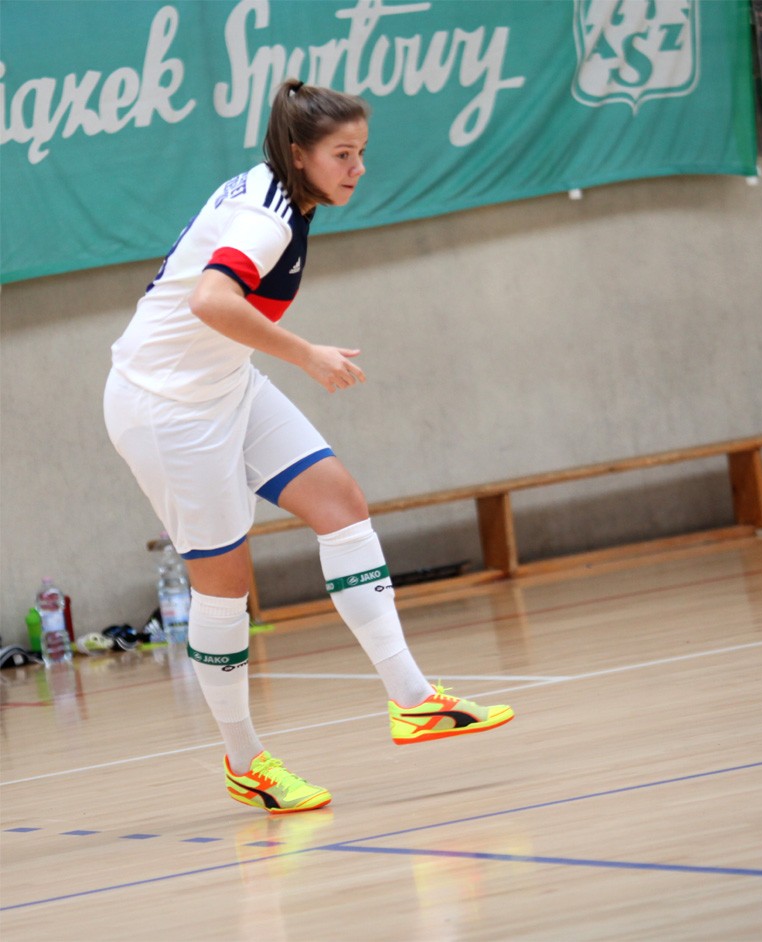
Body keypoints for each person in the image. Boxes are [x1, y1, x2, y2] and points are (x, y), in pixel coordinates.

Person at [104, 79, 513, 814]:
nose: (358, 168)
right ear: (299, 155)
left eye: (361, 152)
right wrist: (306, 355)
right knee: (224, 586)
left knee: (340, 504)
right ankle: (246, 763)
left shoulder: (286, 194)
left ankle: (412, 699)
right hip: (166, 409)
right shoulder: (268, 219)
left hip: (226, 383)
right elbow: (210, 299)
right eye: (342, 154)